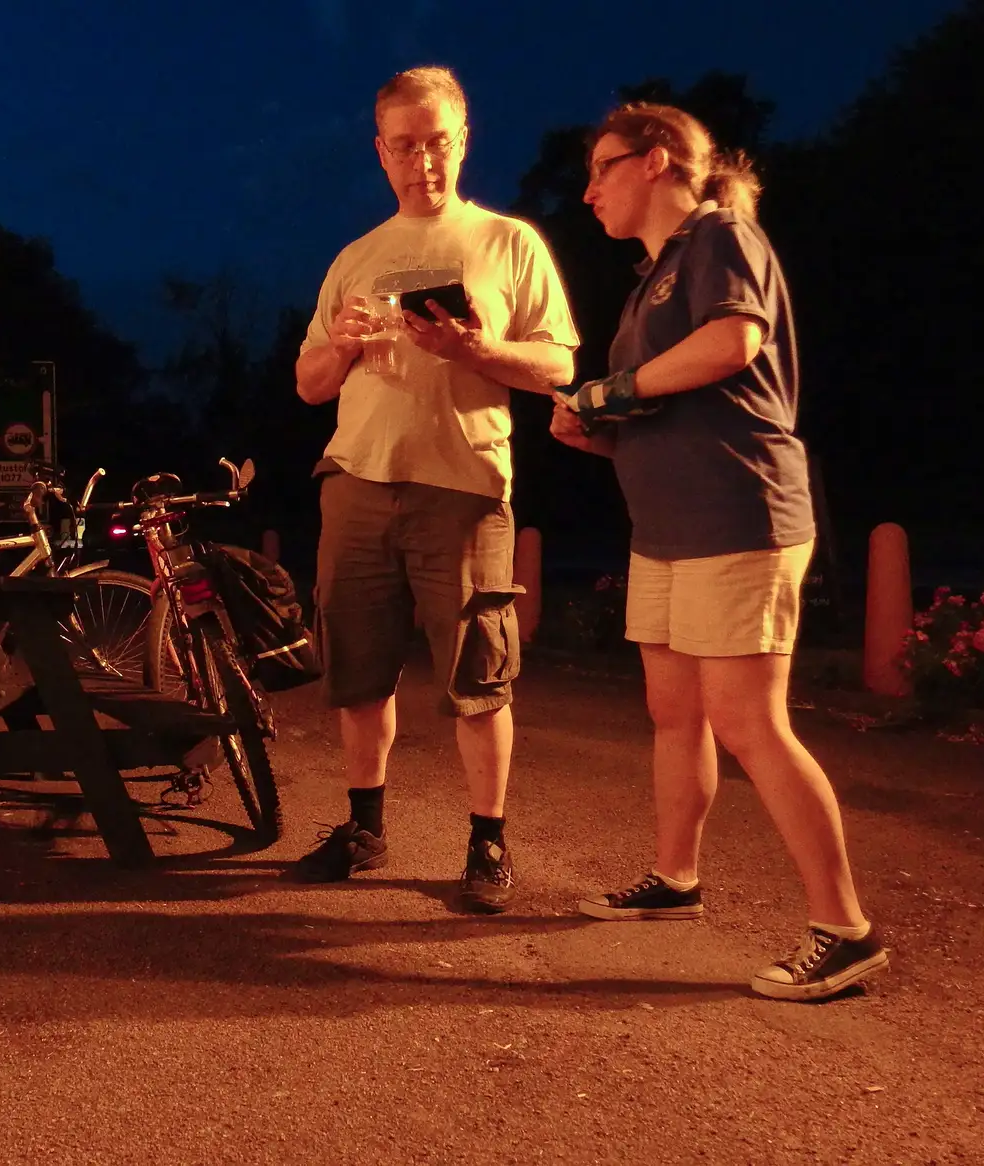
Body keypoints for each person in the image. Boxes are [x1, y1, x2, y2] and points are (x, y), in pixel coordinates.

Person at [553, 102, 888, 1000]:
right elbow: (655, 409)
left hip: (739, 515)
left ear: (657, 160)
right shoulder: (651, 277)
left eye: (603, 168)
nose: (588, 192)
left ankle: (844, 929)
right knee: (675, 712)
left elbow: (734, 344)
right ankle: (675, 880)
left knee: (750, 723)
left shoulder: (718, 235)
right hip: (666, 529)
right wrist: (590, 422)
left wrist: (609, 390)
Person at [290, 66, 579, 909]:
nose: (422, 161)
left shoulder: (508, 242)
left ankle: (487, 843)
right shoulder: (357, 256)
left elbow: (559, 362)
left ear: (463, 140)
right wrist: (340, 345)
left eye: (437, 142)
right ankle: (364, 828)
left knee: (479, 676)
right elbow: (309, 385)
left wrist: (474, 351)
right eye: (405, 145)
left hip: (462, 486)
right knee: (356, 670)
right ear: (380, 152)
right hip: (357, 478)